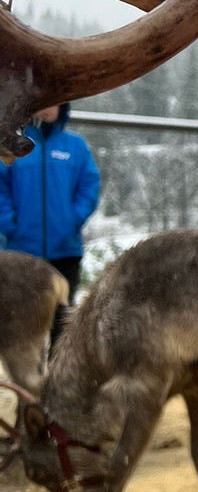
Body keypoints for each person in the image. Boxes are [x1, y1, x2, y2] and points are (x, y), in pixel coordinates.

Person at [0, 103, 101, 349]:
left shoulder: (75, 146)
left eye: (54, 102)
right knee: (21, 322)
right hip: (21, 253)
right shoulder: (14, 147)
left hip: (65, 252)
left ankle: (58, 381)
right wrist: (10, 224)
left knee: (63, 324)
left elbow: (90, 187)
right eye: (42, 101)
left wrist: (71, 220)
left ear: (63, 107)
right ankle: (26, 383)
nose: (47, 108)